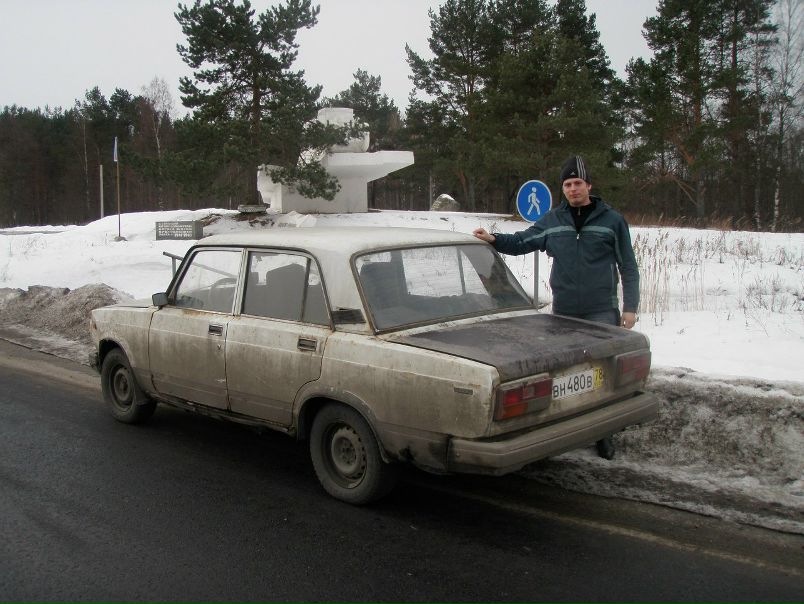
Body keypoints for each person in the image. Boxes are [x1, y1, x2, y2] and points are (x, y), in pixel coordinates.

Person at [473, 155, 640, 460]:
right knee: (566, 374)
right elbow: (522, 242)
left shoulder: (612, 220)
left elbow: (628, 265)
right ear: (562, 189)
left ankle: (604, 433)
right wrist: (494, 239)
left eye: (578, 183)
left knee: (601, 372)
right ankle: (565, 425)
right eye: (567, 184)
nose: (573, 189)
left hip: (601, 310)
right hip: (564, 311)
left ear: (589, 185)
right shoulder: (553, 220)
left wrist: (630, 307)